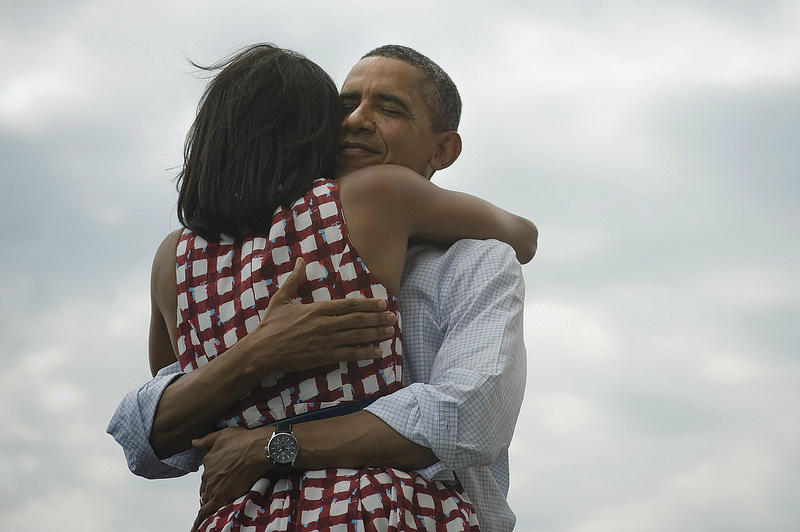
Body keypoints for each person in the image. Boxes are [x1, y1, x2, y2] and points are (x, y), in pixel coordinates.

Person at [109, 44, 531, 531]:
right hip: (374, 506)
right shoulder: (364, 203)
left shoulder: (176, 258)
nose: (355, 121)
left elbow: (467, 419)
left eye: (388, 108)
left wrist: (269, 442)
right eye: (344, 106)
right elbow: (160, 428)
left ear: (442, 150)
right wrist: (260, 350)